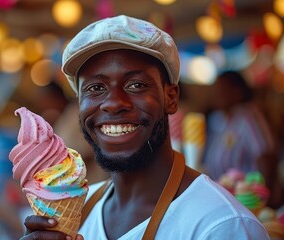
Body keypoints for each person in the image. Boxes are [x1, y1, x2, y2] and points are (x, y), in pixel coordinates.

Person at [20, 15, 269, 239]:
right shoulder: (78, 214)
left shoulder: (221, 226)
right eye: (96, 88)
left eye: (136, 85)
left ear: (171, 97)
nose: (114, 103)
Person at [202, 71, 282, 208]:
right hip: (225, 199)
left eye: (222, 89)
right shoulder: (220, 119)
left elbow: (266, 156)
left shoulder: (249, 117)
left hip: (247, 201)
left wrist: (263, 198)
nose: (216, 93)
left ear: (237, 92)